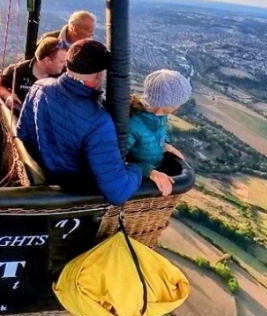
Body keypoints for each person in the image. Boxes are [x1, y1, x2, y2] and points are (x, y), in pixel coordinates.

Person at [17, 39, 175, 205]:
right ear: (99, 75)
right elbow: (118, 192)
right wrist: (137, 168)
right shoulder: (99, 121)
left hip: (40, 178)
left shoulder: (39, 86)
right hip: (72, 192)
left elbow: (22, 132)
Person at [126, 70, 192, 177]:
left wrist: (166, 144)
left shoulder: (160, 116)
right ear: (167, 104)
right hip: (138, 176)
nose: (179, 106)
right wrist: (149, 172)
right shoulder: (132, 125)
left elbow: (161, 131)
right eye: (178, 103)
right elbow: (117, 161)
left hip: (156, 167)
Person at [0, 36, 65, 112]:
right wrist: (8, 96)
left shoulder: (64, 75)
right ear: (47, 60)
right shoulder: (19, 70)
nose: (65, 65)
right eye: (62, 62)